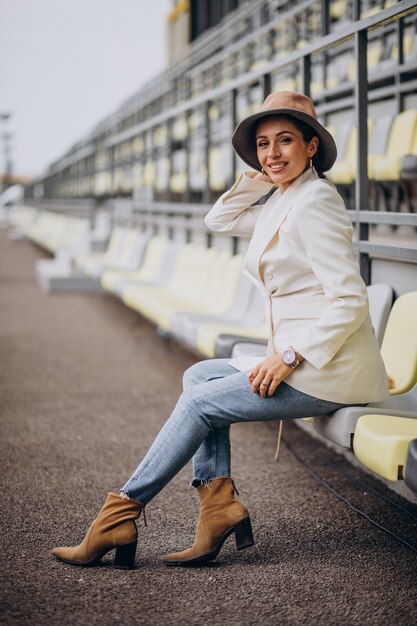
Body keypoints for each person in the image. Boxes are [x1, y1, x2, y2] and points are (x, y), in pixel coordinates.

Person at [51, 91, 389, 570]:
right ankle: (219, 509)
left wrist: (288, 356)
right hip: (300, 358)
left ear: (312, 146)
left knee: (198, 403)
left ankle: (117, 516)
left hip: (327, 369)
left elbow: (351, 299)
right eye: (263, 143)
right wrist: (258, 176)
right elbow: (219, 218)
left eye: (286, 141)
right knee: (199, 377)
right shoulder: (284, 199)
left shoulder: (316, 202)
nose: (272, 153)